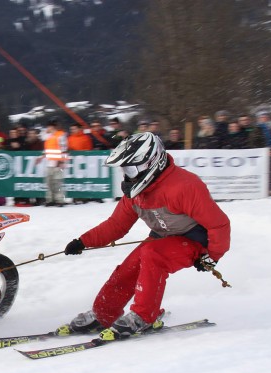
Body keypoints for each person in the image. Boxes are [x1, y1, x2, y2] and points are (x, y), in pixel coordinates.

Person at [58, 132, 230, 340]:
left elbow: (219, 224)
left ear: (151, 163)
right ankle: (103, 314)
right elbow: (116, 225)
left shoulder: (185, 186)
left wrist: (212, 256)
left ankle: (143, 317)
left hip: (194, 241)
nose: (128, 176)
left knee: (152, 254)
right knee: (129, 267)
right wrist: (83, 241)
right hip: (162, 238)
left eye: (131, 169)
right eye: (125, 170)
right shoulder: (137, 194)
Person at [43, 117, 68, 207]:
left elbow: (64, 148)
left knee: (57, 183)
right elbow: (46, 150)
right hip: (49, 162)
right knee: (49, 182)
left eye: (48, 127)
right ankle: (50, 199)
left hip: (57, 163)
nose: (47, 128)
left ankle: (59, 200)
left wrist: (61, 161)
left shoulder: (60, 135)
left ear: (52, 127)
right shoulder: (48, 137)